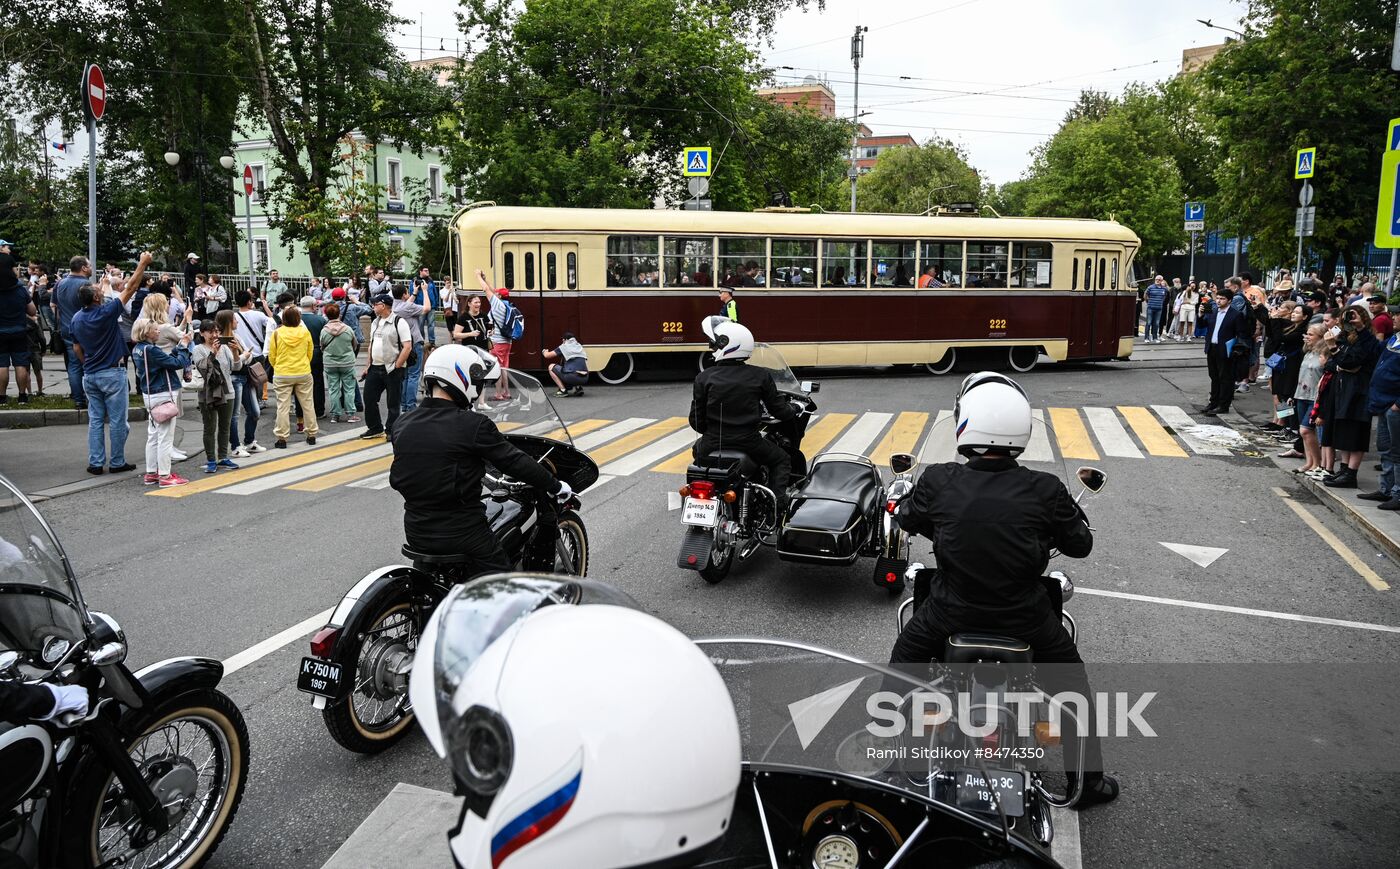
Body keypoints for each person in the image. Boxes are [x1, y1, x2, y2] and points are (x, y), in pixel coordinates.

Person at [889, 372, 1117, 807]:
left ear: (965, 423)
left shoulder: (939, 480)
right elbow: (1080, 546)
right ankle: (1088, 785)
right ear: (1022, 431)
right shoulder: (1046, 489)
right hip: (1026, 616)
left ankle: (897, 767)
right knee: (1074, 691)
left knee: (901, 670)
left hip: (949, 612)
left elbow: (907, 519)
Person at [389, 343, 571, 572]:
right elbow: (514, 461)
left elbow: (432, 462)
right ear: (461, 377)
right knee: (502, 584)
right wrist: (554, 485)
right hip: (464, 534)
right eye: (477, 382)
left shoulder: (402, 423)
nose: (477, 389)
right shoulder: (473, 425)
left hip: (417, 532)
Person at [689, 316, 798, 511]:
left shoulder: (703, 377)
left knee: (698, 450)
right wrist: (793, 409)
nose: (712, 348)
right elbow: (778, 410)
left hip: (712, 442)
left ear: (726, 345)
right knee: (782, 459)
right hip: (749, 442)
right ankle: (776, 506)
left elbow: (697, 423)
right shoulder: (760, 375)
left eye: (714, 344)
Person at [71, 252, 151, 474]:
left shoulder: (77, 318)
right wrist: (142, 263)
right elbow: (131, 288)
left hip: (90, 374)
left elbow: (77, 347)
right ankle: (117, 461)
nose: (101, 289)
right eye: (99, 290)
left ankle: (96, 463)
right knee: (117, 421)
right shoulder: (106, 312)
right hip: (112, 373)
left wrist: (86, 362)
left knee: (95, 420)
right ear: (97, 299)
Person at [1321, 306, 1382, 488]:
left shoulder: (1369, 340)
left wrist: (1334, 349)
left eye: (1352, 317)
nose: (1349, 320)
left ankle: (1351, 473)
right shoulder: (1348, 339)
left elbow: (1350, 361)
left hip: (1359, 392)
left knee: (1356, 433)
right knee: (1345, 432)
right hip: (1345, 390)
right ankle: (1344, 469)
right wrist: (1338, 357)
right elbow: (1332, 364)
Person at [132, 320, 192, 487]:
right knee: (165, 437)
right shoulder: (151, 349)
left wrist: (177, 348)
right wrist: (183, 347)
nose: (158, 331)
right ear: (146, 332)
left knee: (153, 435)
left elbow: (164, 361)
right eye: (155, 329)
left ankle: (151, 472)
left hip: (149, 394)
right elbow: (175, 364)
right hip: (163, 393)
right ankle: (165, 475)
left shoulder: (138, 348)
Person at [192, 317, 243, 474]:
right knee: (210, 427)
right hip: (208, 394)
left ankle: (222, 456)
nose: (215, 335)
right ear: (202, 333)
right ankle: (211, 459)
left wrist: (235, 352)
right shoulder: (198, 349)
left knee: (225, 427)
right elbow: (203, 369)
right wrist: (212, 353)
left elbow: (236, 367)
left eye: (217, 331)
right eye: (211, 331)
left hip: (228, 392)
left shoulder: (225, 348)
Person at [360, 293, 412, 439]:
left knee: (393, 402)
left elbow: (407, 346)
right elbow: (371, 345)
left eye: (375, 304)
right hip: (375, 367)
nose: (373, 307)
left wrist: (397, 365)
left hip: (391, 368)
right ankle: (375, 428)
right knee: (369, 398)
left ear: (383, 306)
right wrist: (368, 365)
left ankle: (391, 430)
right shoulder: (375, 322)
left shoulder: (399, 321)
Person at [227, 290, 271, 457]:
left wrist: (246, 355)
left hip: (246, 375)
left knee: (254, 411)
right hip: (236, 378)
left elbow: (247, 355)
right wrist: (245, 356)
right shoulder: (226, 340)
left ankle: (249, 441)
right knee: (235, 415)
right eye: (234, 320)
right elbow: (236, 363)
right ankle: (236, 446)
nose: (237, 321)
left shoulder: (237, 336)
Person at [1361, 327, 1400, 509]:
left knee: (1397, 452)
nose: (1394, 318)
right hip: (1383, 402)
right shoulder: (1394, 338)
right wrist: (1362, 329)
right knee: (1385, 449)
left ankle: (1398, 494)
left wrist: (1398, 404)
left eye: (1398, 314)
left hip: (1395, 406)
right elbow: (1374, 349)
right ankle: (1386, 489)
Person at [1200, 284, 1253, 417]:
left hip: (1227, 350)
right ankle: (1213, 402)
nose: (1218, 301)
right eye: (1217, 298)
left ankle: (1223, 405)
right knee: (1214, 376)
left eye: (1222, 299)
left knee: (1226, 378)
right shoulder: (1212, 311)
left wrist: (1237, 349)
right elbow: (1202, 325)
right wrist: (1200, 314)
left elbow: (1242, 333)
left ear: (1229, 300)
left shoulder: (1235, 315)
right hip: (1212, 348)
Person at [0, 240, 35, 404]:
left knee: (2, 365)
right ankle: (22, 396)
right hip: (19, 330)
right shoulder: (19, 289)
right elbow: (32, 311)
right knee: (21, 363)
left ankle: (2, 397)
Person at [1292, 324, 1328, 478]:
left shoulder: (1324, 354)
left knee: (1306, 430)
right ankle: (1309, 462)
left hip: (1315, 397)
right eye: (1307, 334)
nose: (1307, 337)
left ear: (1321, 337)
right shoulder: (1307, 353)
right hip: (1301, 394)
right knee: (1305, 432)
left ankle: (1317, 463)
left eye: (1311, 334)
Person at [476, 268, 515, 401]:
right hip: (507, 341)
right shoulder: (508, 305)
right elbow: (493, 290)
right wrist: (486, 279)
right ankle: (507, 392)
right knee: (504, 367)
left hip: (497, 342)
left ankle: (498, 394)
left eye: (497, 293)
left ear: (499, 296)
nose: (495, 293)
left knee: (496, 367)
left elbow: (487, 290)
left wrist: (478, 277)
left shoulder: (497, 305)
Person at [319, 302, 360, 423]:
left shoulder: (324, 331)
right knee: (349, 388)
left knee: (333, 388)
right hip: (347, 362)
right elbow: (355, 344)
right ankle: (351, 414)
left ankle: (335, 415)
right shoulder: (347, 329)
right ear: (339, 313)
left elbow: (322, 345)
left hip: (330, 363)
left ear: (326, 315)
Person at [392, 281, 428, 412]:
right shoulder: (407, 308)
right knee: (414, 375)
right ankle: (411, 405)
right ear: (403, 295)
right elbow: (426, 308)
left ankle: (404, 404)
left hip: (401, 344)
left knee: (405, 375)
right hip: (413, 343)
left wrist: (414, 293)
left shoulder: (395, 306)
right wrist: (425, 290)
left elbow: (407, 305)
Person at [299, 295, 328, 424]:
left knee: (301, 384)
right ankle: (319, 409)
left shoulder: (297, 320)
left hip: (301, 354)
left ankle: (301, 410)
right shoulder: (320, 320)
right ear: (312, 306)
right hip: (317, 353)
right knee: (317, 382)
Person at [543, 331, 589, 396]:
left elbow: (547, 356)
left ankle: (563, 390)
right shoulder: (579, 346)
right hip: (585, 377)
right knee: (576, 366)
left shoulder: (564, 346)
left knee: (551, 366)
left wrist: (544, 351)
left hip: (572, 377)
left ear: (565, 340)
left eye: (563, 340)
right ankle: (578, 388)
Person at [1143, 275, 1167, 343]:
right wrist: (1148, 301)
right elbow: (1145, 295)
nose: (1157, 280)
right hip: (1150, 308)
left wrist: (1160, 303)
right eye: (1156, 279)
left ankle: (1155, 338)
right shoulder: (1150, 287)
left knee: (1156, 323)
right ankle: (1146, 338)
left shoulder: (1164, 289)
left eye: (1159, 279)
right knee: (1149, 323)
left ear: (1162, 280)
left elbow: (1164, 296)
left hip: (1159, 308)